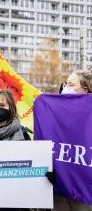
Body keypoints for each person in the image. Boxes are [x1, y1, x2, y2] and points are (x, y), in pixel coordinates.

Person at [54, 69, 92, 211]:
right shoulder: (55, 112)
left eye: (71, 85)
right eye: (65, 84)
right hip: (58, 185)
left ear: (85, 90)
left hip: (82, 186)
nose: (65, 88)